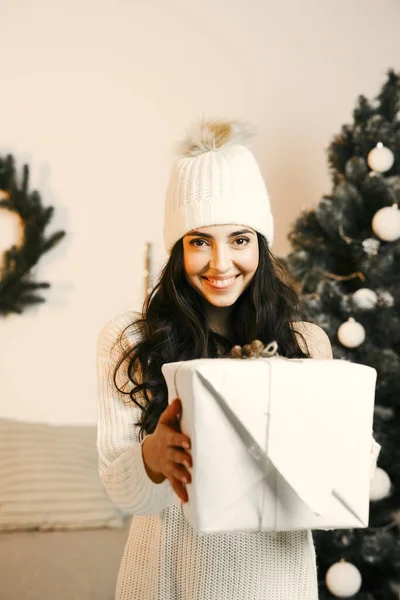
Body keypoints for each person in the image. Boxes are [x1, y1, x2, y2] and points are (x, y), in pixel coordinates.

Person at [96, 119, 379, 600]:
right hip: (167, 582)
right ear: (178, 248)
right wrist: (153, 457)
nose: (220, 262)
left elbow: (332, 485)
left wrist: (348, 452)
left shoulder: (305, 343)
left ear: (261, 245)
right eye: (199, 241)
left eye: (239, 240)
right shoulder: (130, 339)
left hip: (277, 584)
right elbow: (122, 491)